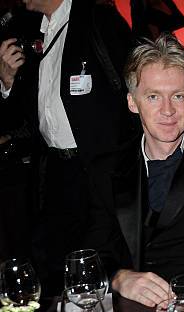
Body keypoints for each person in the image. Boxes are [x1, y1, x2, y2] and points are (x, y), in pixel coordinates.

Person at [85, 33, 184, 307]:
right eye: (153, 97)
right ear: (132, 102)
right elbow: (94, 254)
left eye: (178, 96)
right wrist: (120, 278)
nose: (168, 110)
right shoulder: (106, 170)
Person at [0, 0, 134, 296]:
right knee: (55, 265)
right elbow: (19, 119)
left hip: (101, 171)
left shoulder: (98, 18)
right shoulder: (29, 31)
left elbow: (132, 83)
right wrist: (6, 81)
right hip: (54, 172)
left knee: (101, 263)